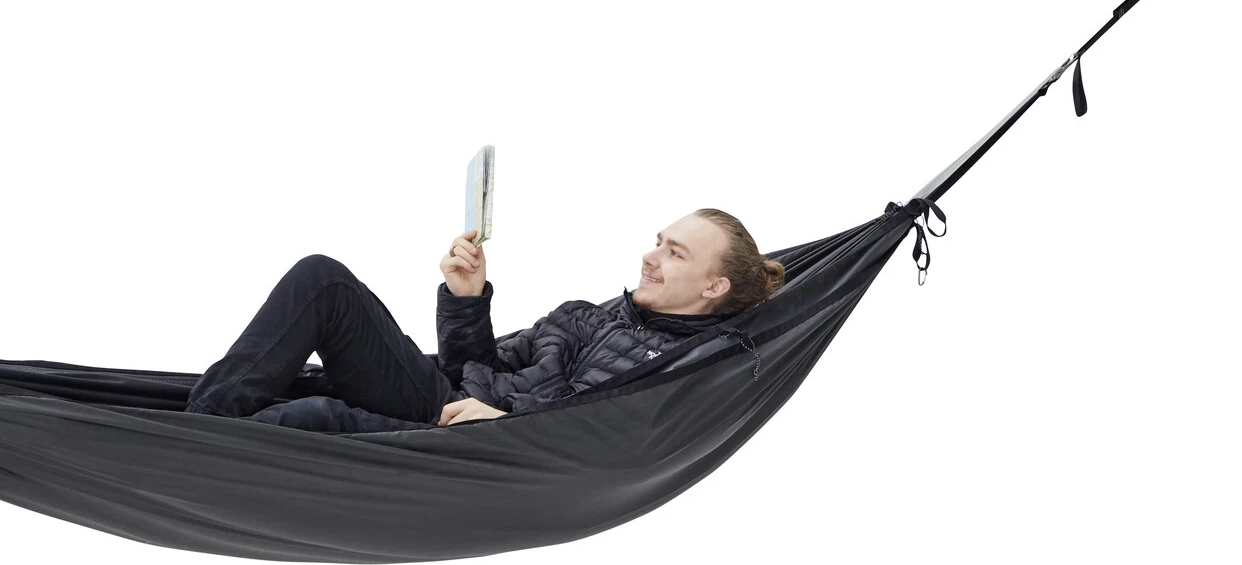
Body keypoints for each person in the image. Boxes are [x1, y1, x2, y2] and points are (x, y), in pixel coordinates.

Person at [182, 209, 788, 432]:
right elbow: (477, 366)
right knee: (324, 281)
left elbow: (595, 434)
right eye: (658, 241)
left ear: (714, 286)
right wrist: (467, 299)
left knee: (307, 417)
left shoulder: (680, 366)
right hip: (444, 400)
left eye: (674, 253)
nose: (649, 257)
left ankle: (188, 443)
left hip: (476, 446)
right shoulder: (585, 316)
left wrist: (507, 420)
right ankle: (195, 429)